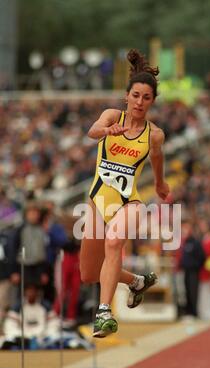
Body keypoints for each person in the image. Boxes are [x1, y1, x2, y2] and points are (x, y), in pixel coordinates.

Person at [80, 49, 170, 338]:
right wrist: (108, 132)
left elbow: (156, 158)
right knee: (89, 275)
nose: (140, 102)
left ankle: (104, 313)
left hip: (128, 202)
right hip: (97, 200)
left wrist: (159, 183)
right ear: (127, 96)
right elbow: (92, 131)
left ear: (152, 102)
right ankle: (136, 282)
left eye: (146, 98)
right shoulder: (111, 116)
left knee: (114, 241)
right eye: (136, 96)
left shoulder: (154, 134)